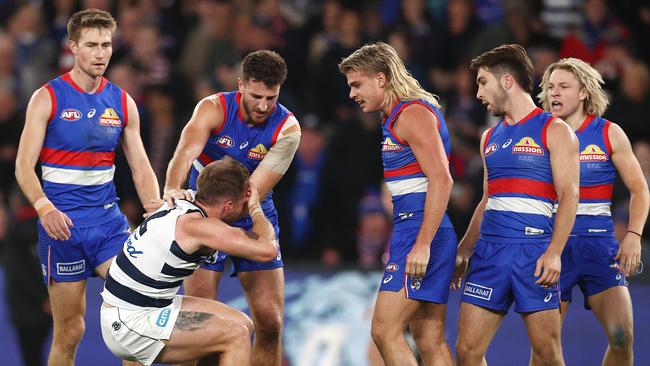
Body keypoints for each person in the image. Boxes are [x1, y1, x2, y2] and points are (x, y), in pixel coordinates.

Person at [14, 9, 160, 366]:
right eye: (92, 45)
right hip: (62, 228)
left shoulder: (123, 102)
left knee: (134, 321)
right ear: (74, 47)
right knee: (70, 331)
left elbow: (140, 164)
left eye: (106, 45)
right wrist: (44, 207)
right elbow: (22, 166)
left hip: (109, 226)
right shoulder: (47, 98)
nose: (100, 53)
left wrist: (156, 209)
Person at [163, 50, 300, 366]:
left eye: (271, 97)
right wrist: (172, 187)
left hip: (251, 212)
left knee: (270, 321)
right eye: (256, 96)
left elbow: (253, 191)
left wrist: (251, 226)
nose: (263, 106)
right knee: (200, 321)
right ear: (240, 85)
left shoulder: (288, 130)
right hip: (206, 213)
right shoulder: (212, 109)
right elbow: (184, 154)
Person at [451, 44, 579, 366]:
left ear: (507, 82)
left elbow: (570, 196)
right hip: (489, 254)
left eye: (482, 82)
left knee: (547, 354)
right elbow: (486, 201)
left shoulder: (555, 130)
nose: (478, 92)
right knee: (467, 353)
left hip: (533, 254)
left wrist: (554, 252)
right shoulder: (488, 138)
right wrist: (465, 251)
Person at [339, 42, 457, 366]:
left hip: (421, 233)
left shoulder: (412, 114)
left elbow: (442, 179)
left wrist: (423, 243)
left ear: (381, 79)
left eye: (356, 85)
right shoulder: (393, 118)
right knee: (429, 341)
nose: (352, 94)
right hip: (415, 230)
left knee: (384, 329)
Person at [100, 157, 279, 366]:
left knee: (243, 323)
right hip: (129, 323)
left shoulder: (185, 201)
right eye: (243, 205)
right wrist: (257, 207)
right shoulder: (199, 227)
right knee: (235, 335)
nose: (244, 210)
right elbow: (267, 250)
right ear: (228, 206)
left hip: (148, 305)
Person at [537, 58, 649, 366]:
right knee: (544, 348)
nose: (553, 92)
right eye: (550, 86)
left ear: (584, 92)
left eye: (563, 86)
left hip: (599, 248)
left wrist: (633, 236)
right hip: (552, 248)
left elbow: (640, 190)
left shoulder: (609, 133)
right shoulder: (538, 134)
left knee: (622, 337)